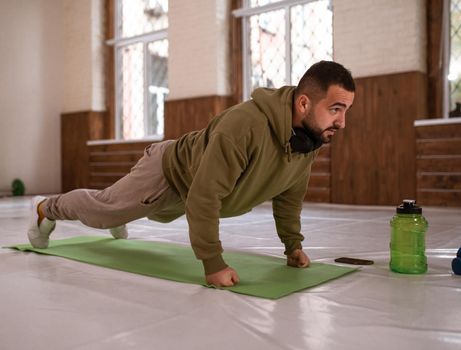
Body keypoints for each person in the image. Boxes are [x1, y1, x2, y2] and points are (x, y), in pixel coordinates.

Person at [27, 60, 355, 287]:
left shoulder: (307, 143)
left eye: (345, 111)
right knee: (103, 212)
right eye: (335, 109)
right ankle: (46, 208)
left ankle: (124, 213)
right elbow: (204, 196)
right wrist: (213, 263)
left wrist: (292, 246)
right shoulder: (243, 127)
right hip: (169, 173)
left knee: (127, 208)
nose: (341, 122)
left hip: (191, 182)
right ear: (303, 104)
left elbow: (288, 198)